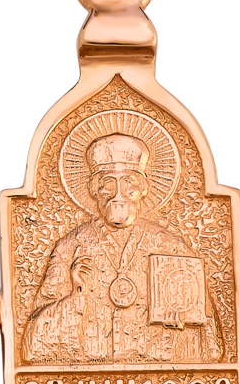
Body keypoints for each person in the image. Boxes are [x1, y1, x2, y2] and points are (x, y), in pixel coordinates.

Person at [24, 133, 221, 364]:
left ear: (143, 189)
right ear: (94, 189)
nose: (118, 194)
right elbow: (32, 344)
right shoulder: (70, 247)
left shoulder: (170, 246)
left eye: (129, 184)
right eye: (108, 184)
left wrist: (183, 320)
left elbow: (210, 345)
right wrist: (75, 295)